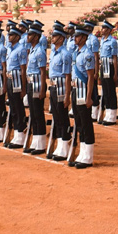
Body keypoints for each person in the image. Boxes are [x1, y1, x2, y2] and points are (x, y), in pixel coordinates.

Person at [70, 24, 98, 169]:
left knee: (86, 123)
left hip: (83, 91)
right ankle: (82, 153)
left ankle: (88, 155)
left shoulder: (87, 54)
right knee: (79, 122)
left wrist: (89, 97)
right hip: (75, 90)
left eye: (78, 36)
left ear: (84, 38)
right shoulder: (76, 52)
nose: (75, 38)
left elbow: (90, 77)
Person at [46, 23, 73, 160]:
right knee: (56, 116)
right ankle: (60, 144)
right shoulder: (54, 53)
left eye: (55, 36)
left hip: (62, 87)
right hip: (53, 87)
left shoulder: (65, 54)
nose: (53, 38)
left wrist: (67, 96)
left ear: (62, 39)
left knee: (62, 117)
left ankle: (65, 144)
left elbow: (68, 76)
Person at [23, 23, 48, 155]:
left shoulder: (39, 52)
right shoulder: (32, 50)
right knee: (33, 113)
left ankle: (41, 143)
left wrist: (43, 90)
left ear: (36, 36)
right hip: (30, 83)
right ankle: (36, 141)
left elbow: (43, 72)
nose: (28, 36)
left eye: (31, 34)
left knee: (38, 114)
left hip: (37, 84)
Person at [96, 21, 118, 125]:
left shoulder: (112, 41)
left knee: (110, 90)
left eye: (104, 28)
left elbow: (114, 58)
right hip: (103, 66)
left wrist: (115, 73)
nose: (102, 30)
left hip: (109, 66)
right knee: (105, 90)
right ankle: (108, 112)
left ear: (109, 30)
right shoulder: (102, 41)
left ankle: (112, 114)